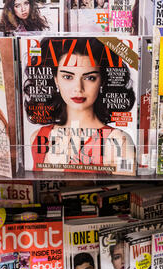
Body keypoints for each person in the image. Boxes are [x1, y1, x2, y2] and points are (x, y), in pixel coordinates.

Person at [26, 37, 136, 175]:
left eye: (90, 78)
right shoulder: (38, 137)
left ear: (102, 81)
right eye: (68, 77)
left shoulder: (119, 141)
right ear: (56, 80)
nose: (78, 88)